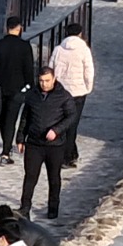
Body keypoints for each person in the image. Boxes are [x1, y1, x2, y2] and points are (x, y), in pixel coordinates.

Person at [17, 67, 77, 221]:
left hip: (55, 145)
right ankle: (25, 207)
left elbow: (71, 117)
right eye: (41, 80)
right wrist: (20, 138)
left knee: (54, 177)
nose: (44, 84)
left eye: (47, 81)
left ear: (54, 79)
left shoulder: (64, 96)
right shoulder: (32, 96)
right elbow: (25, 117)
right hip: (34, 144)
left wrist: (56, 130)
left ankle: (53, 207)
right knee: (30, 176)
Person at [0, 16, 35, 165]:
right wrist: (29, 87)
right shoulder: (25, 46)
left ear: (6, 28)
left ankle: (6, 147)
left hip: (0, 89)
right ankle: (6, 152)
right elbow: (28, 69)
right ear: (19, 27)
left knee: (2, 120)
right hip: (17, 90)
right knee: (11, 119)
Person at [47, 23, 95, 168]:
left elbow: (51, 68)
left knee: (62, 121)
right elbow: (89, 70)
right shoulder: (84, 50)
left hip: (61, 91)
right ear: (80, 34)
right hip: (78, 91)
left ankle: (69, 153)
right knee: (72, 123)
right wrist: (88, 87)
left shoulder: (58, 49)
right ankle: (67, 156)